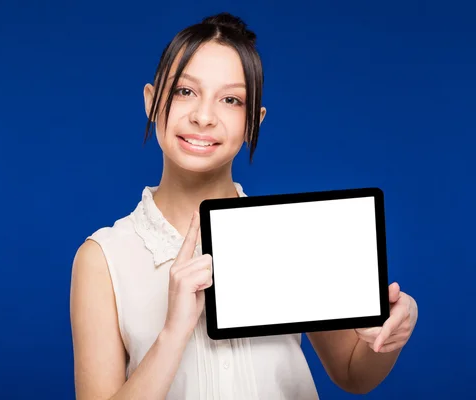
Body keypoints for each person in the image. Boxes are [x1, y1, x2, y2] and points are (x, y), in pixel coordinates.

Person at [69, 12, 419, 400]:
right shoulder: (103, 258)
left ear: (254, 121)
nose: (203, 116)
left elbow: (354, 374)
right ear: (152, 102)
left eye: (231, 100)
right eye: (185, 91)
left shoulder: (293, 235)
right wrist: (173, 333)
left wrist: (394, 330)